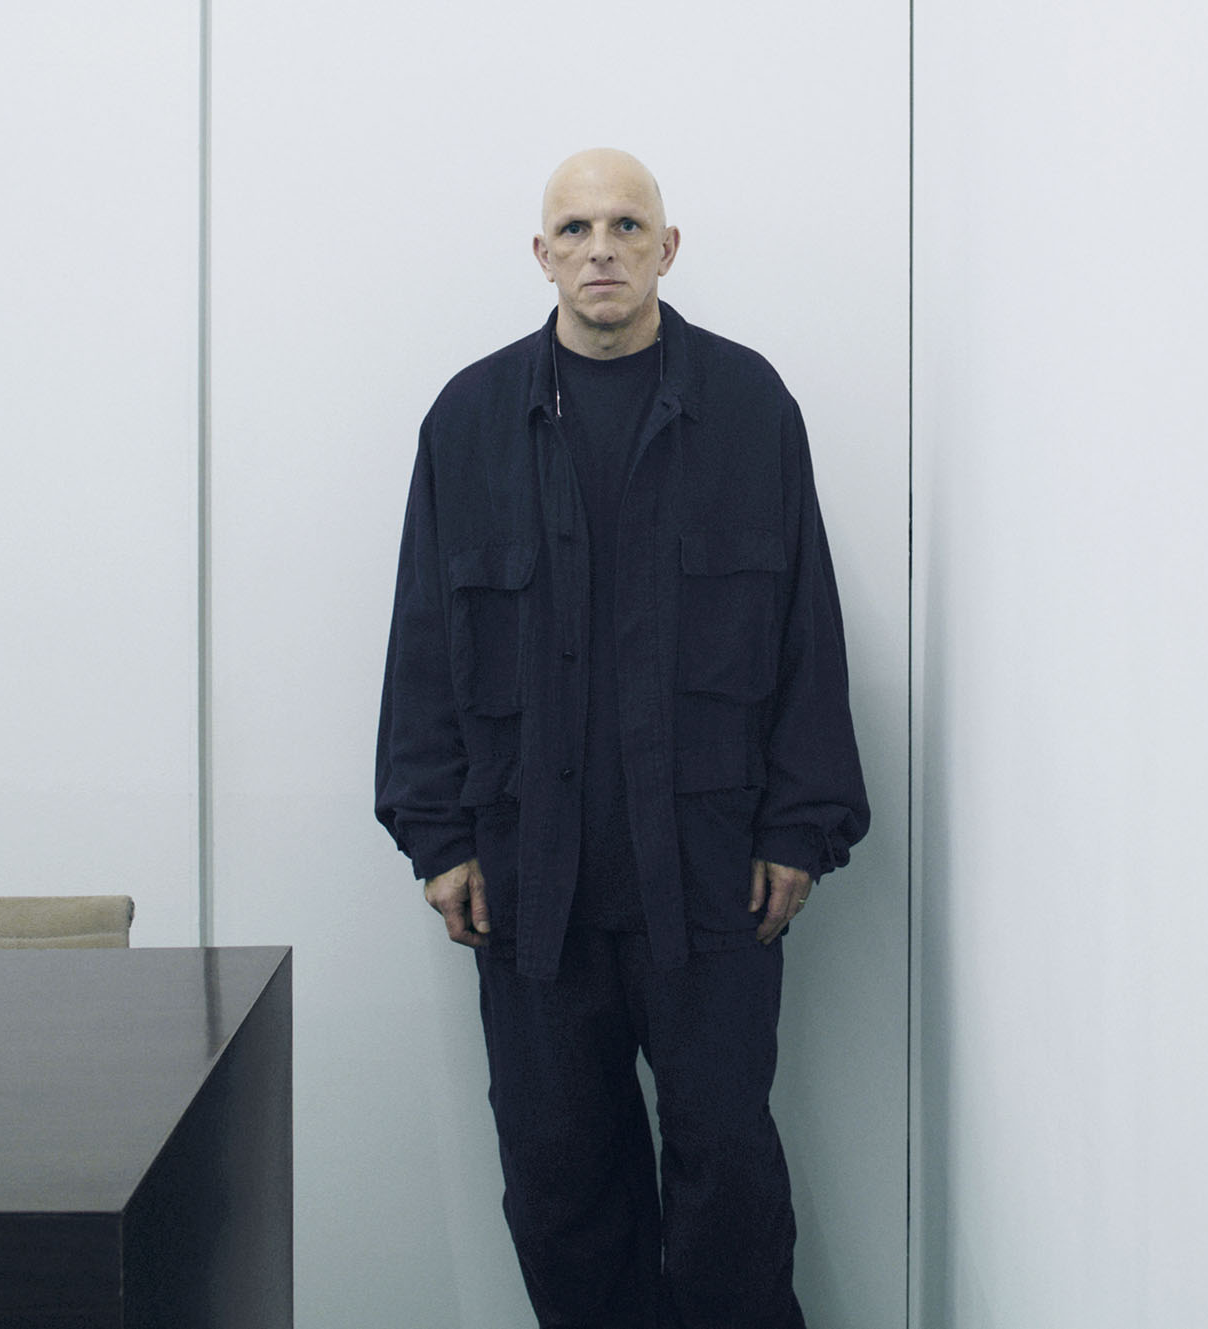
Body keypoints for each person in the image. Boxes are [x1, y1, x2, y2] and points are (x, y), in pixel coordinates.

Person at [375, 148, 869, 1329]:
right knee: (560, 1185)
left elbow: (805, 631)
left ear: (666, 248)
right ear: (541, 255)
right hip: (528, 886)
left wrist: (799, 828)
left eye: (626, 226)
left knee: (726, 1178)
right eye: (576, 228)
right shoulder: (469, 420)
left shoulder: (748, 407)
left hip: (709, 881)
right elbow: (423, 643)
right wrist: (439, 838)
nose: (601, 248)